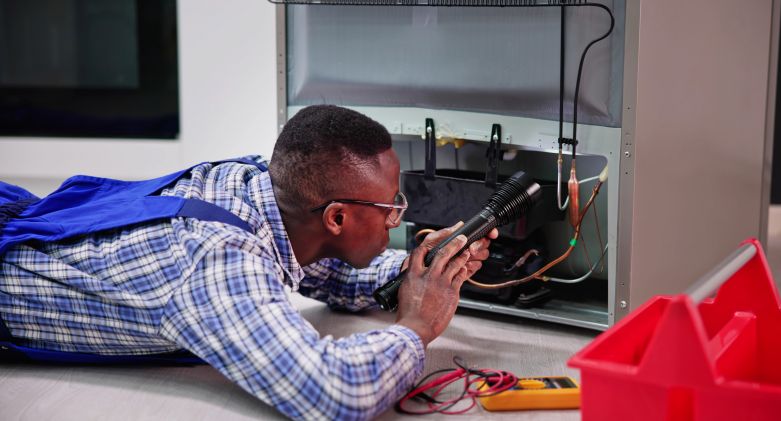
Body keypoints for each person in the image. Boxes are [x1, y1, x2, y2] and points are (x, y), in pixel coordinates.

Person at [0, 105, 497, 420]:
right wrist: (418, 325)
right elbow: (333, 393)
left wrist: (422, 268)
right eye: (392, 205)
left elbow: (323, 267)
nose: (397, 217)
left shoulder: (257, 185)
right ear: (337, 216)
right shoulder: (217, 262)